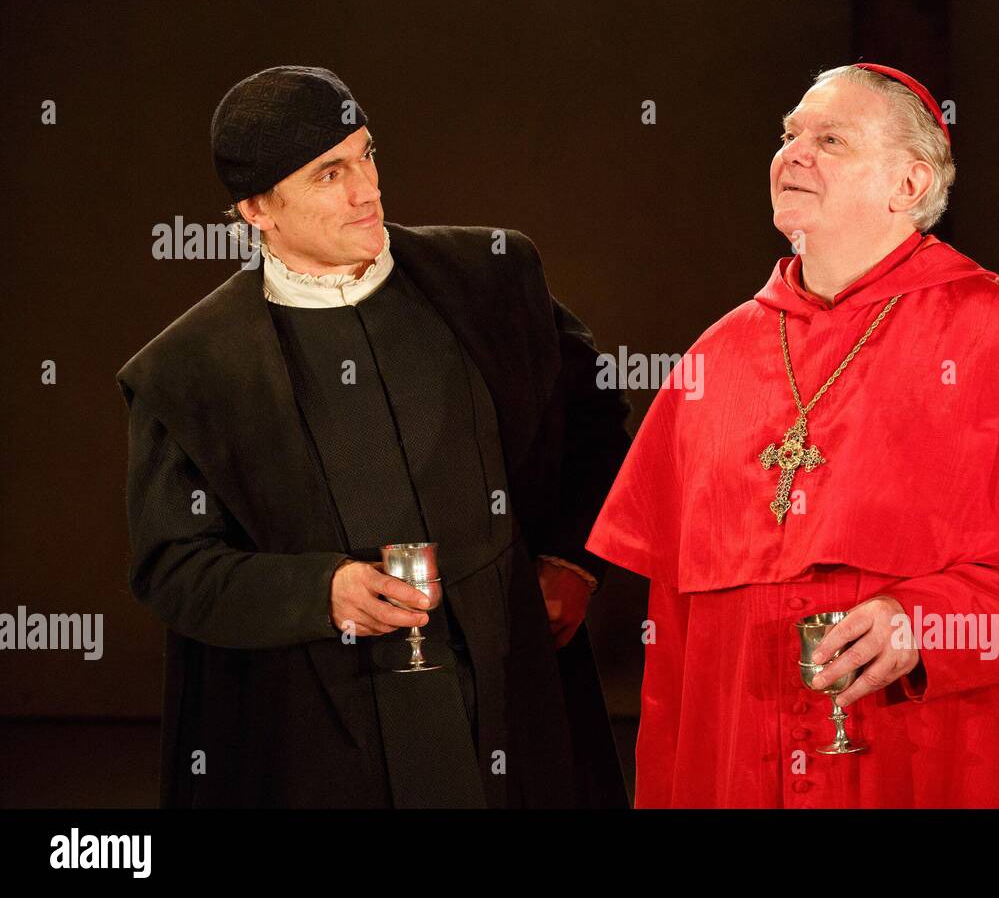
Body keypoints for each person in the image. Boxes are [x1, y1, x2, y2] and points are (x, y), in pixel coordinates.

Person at [585, 62, 999, 808]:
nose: (794, 153)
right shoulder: (716, 358)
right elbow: (675, 639)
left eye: (831, 139)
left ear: (910, 186)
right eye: (790, 134)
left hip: (937, 757)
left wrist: (929, 625)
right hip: (745, 771)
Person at [117, 65, 631, 808]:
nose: (367, 190)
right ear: (258, 208)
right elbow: (171, 567)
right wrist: (322, 591)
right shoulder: (187, 371)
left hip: (515, 707)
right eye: (330, 174)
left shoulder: (493, 278)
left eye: (368, 155)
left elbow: (594, 424)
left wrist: (575, 563)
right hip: (323, 735)